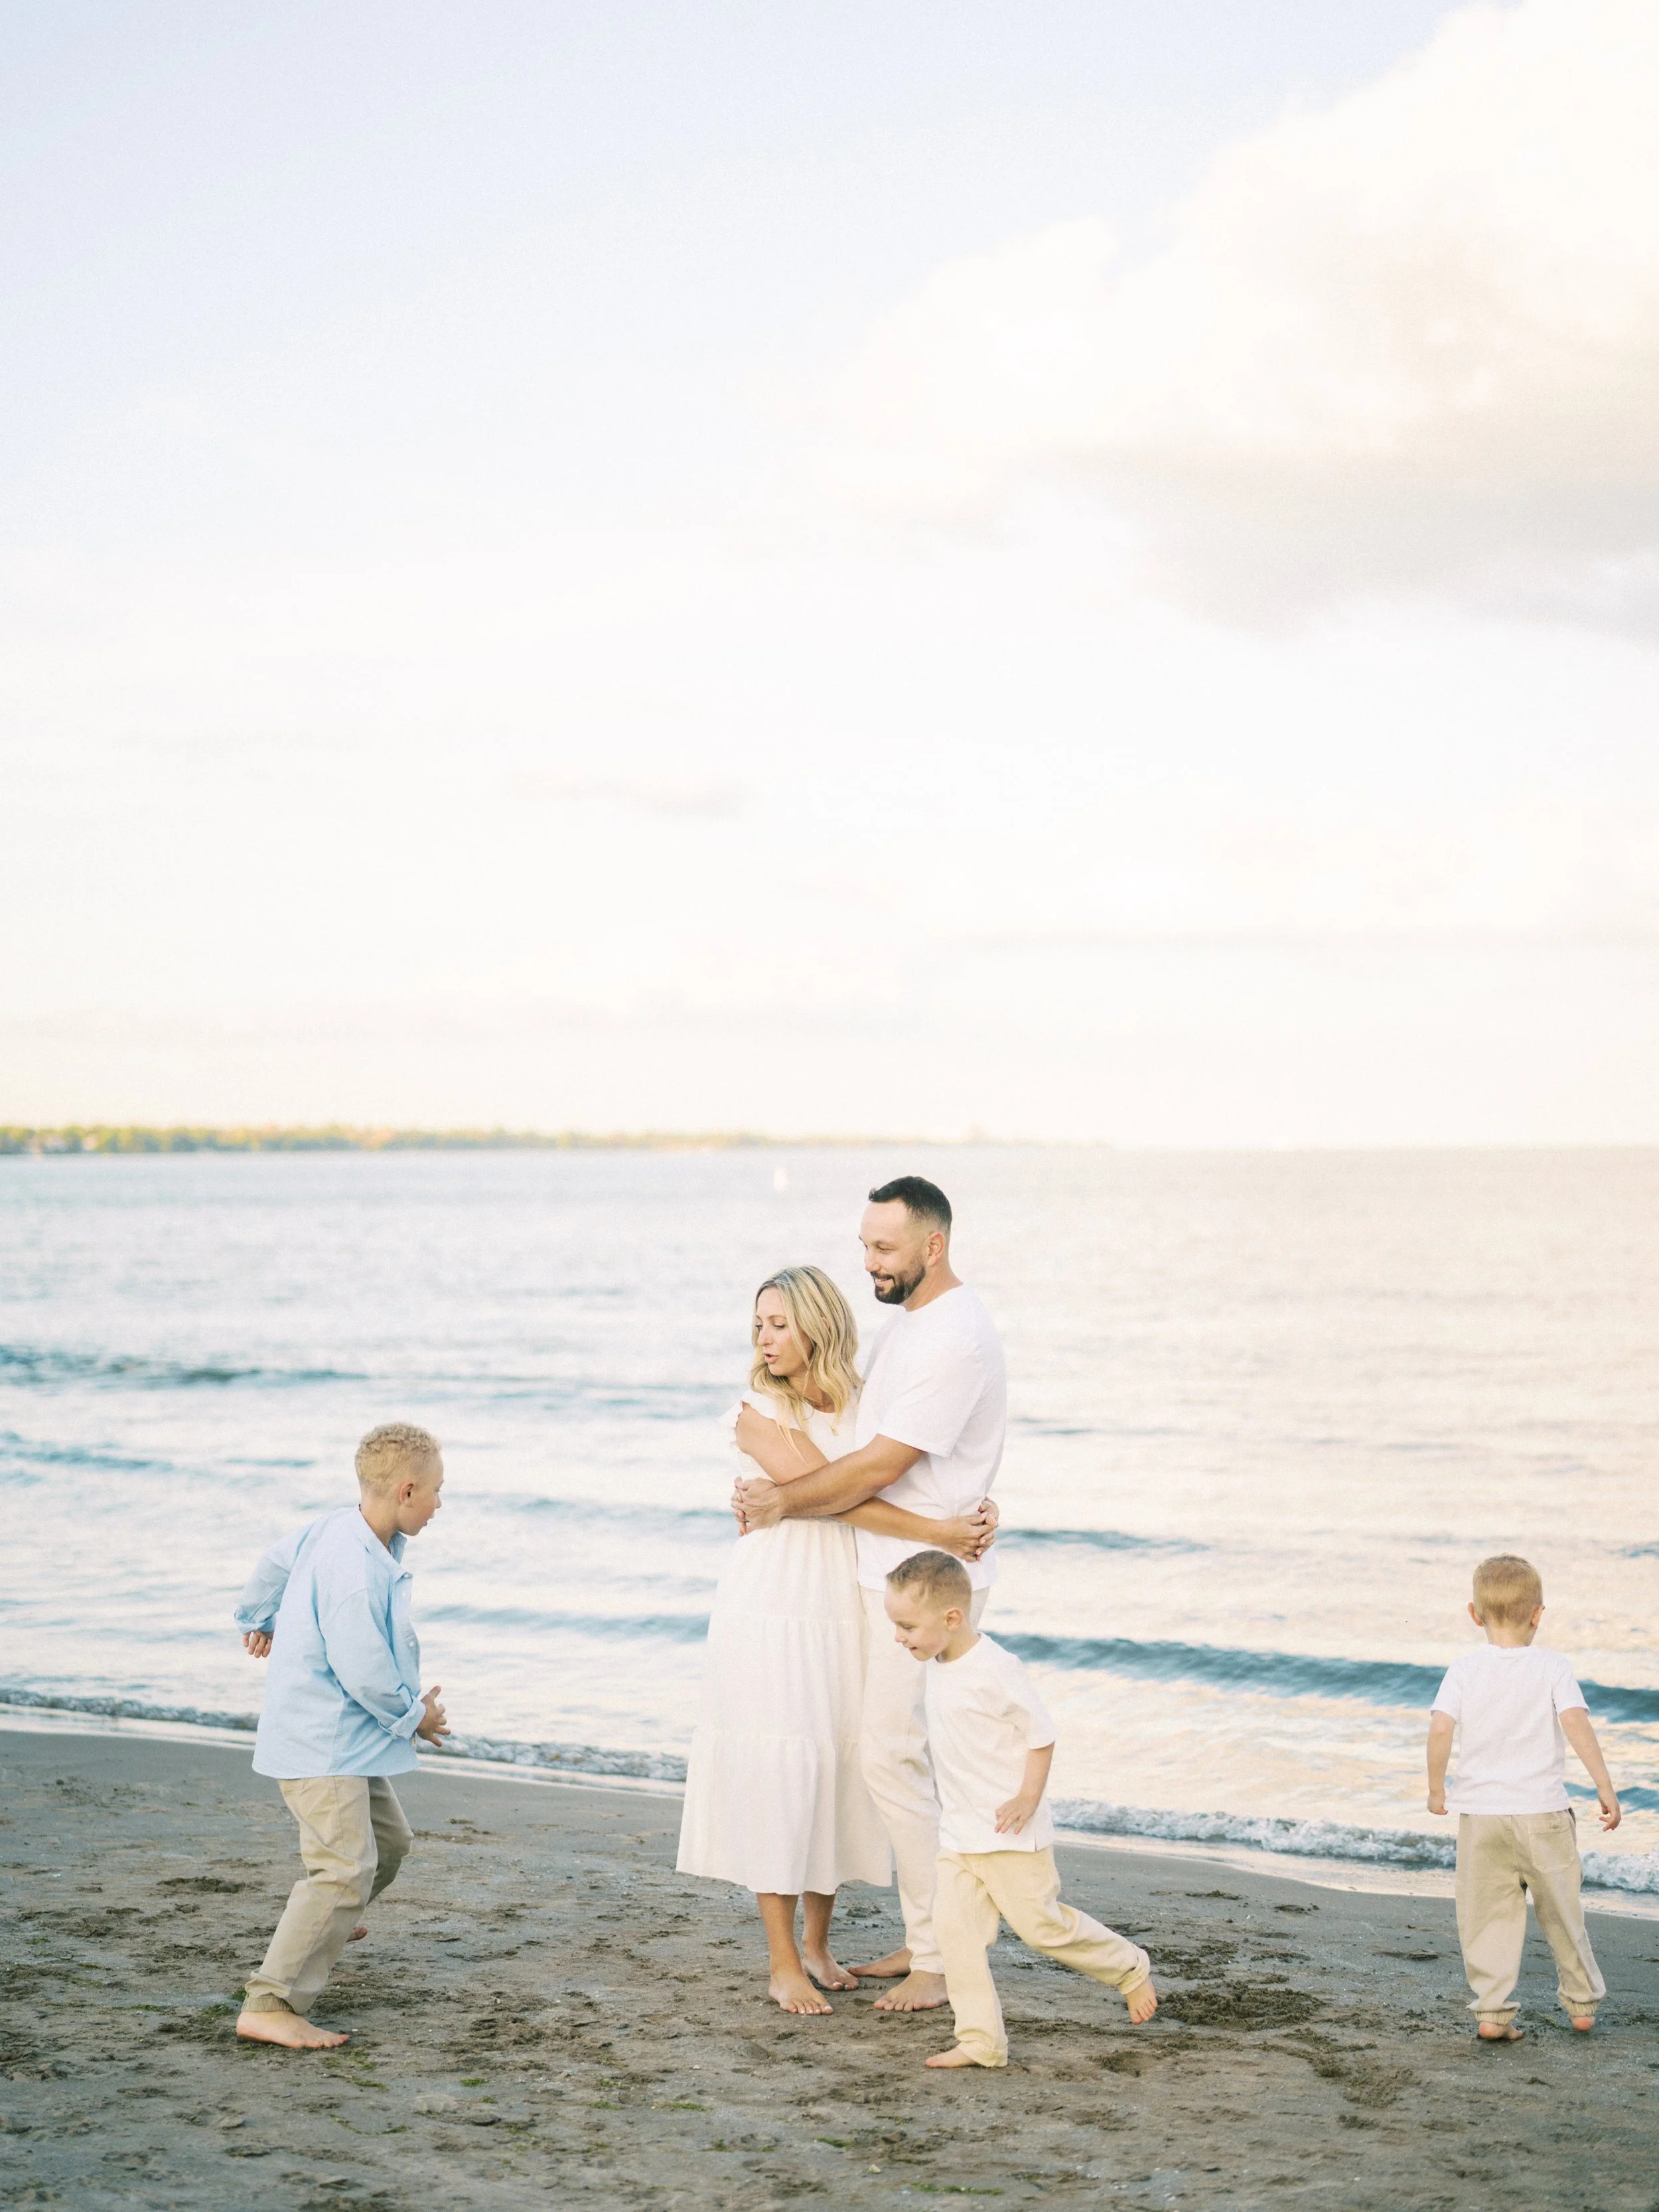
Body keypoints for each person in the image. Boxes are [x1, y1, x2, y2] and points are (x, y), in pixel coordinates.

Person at [678, 1266, 996, 2014]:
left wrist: (971, 1508)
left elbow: (895, 1474)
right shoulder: (757, 1411)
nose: (765, 1337)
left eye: (781, 1323)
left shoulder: (860, 1400)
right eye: (759, 1324)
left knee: (831, 1767)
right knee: (781, 1769)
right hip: (774, 1601)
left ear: (817, 1323)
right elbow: (843, 1495)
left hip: (844, 1597)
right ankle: (782, 1960)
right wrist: (940, 1533)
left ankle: (818, 1944)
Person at [882, 1549, 1157, 2069]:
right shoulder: (937, 1660)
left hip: (1010, 1834)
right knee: (955, 1935)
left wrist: (1029, 1796)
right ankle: (981, 2041)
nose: (899, 1636)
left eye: (907, 1625)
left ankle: (1129, 1967)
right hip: (960, 1836)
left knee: (1042, 1928)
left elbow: (1041, 1734)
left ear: (953, 1617)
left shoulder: (996, 1667)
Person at [232, 1422, 451, 2050]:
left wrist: (259, 1614)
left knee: (388, 1842)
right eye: (437, 1492)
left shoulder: (339, 1526)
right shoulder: (352, 1566)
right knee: (343, 1867)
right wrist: (417, 1717)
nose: (440, 1505)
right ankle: (270, 2001)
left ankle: (335, 1913)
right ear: (407, 1490)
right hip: (320, 1742)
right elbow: (363, 1668)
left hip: (343, 1741)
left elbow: (273, 1560)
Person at [1427, 1553, 1619, 2043]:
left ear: (1474, 1613)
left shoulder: (1464, 1669)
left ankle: (1493, 2013)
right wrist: (1603, 1785)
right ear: (1538, 1614)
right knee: (1563, 1910)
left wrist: (1436, 1787)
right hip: (1544, 1815)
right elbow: (1576, 1723)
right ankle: (1581, 2005)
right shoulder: (1553, 1665)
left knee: (1486, 1915)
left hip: (1482, 1818)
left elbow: (1441, 1728)